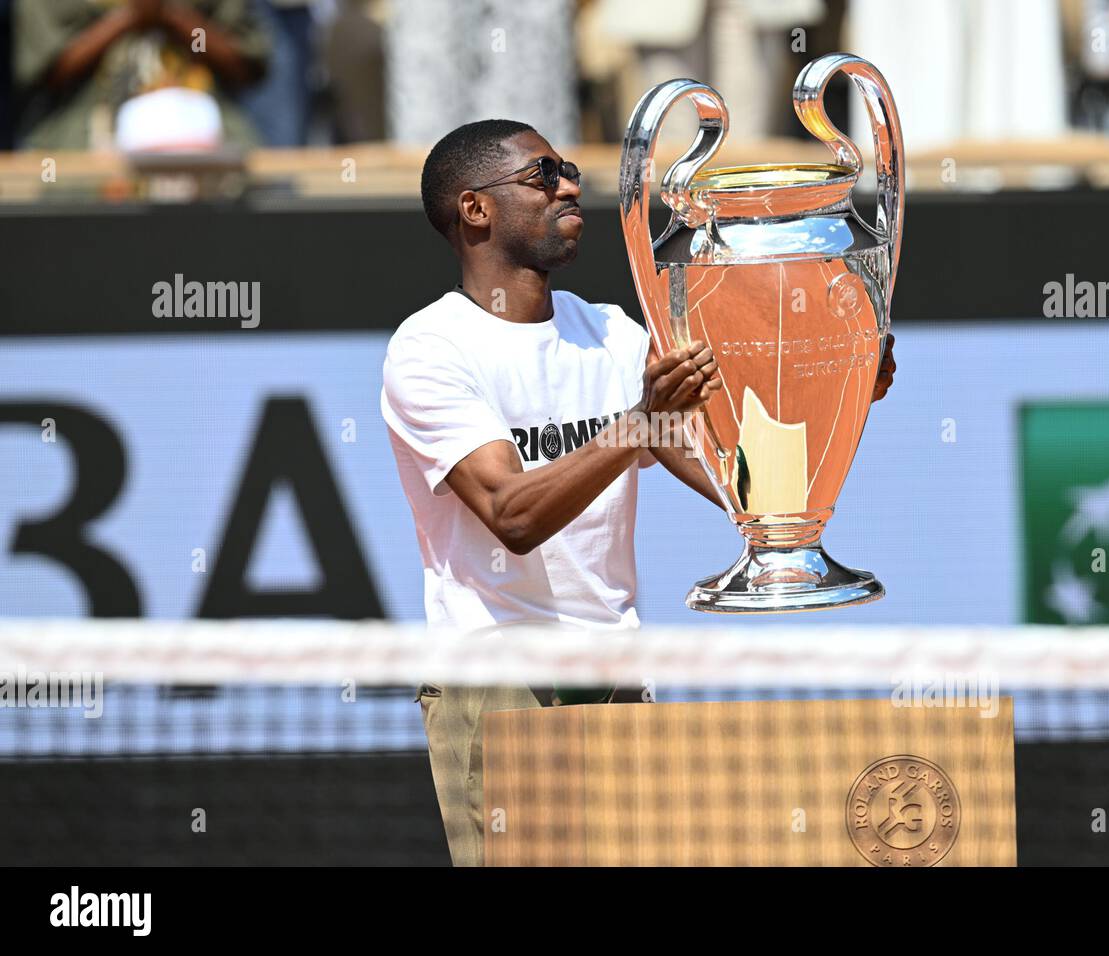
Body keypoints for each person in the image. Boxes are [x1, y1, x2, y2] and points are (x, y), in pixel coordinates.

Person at [380, 119, 897, 866]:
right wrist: (637, 425)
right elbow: (510, 515)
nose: (568, 184)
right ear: (474, 210)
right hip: (499, 688)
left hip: (618, 677)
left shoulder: (614, 334)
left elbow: (737, 478)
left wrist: (838, 389)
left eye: (567, 170)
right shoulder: (429, 350)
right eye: (541, 174)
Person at [14, 0, 269, 151]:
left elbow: (244, 68)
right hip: (87, 124)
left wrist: (172, 17)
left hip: (199, 120)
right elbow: (50, 72)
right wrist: (130, 17)